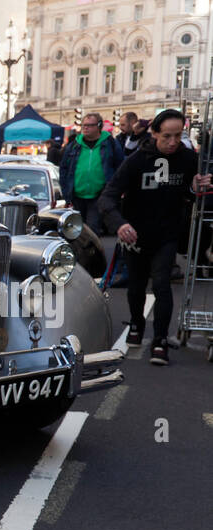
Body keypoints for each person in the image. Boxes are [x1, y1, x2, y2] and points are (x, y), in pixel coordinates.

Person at [99, 109, 213, 365]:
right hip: (135, 234)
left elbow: (191, 193)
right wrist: (120, 225)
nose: (173, 142)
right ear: (154, 134)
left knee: (162, 284)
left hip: (167, 233)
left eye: (178, 135)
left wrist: (197, 188)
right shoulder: (137, 160)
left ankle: (161, 339)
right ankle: (137, 324)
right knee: (137, 286)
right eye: (166, 136)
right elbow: (108, 197)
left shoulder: (187, 158)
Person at [59, 112, 124, 234]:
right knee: (76, 231)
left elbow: (120, 167)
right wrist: (66, 192)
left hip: (99, 195)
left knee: (91, 230)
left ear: (99, 126)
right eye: (84, 125)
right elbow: (64, 168)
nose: (85, 127)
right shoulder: (74, 145)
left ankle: (91, 252)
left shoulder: (110, 143)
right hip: (76, 196)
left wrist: (115, 191)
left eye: (89, 125)